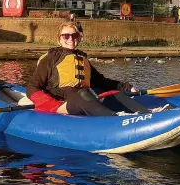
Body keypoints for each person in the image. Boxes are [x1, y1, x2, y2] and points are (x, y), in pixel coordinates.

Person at [27, 21, 156, 116]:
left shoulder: (83, 60)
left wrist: (127, 87)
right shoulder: (51, 58)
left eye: (74, 35)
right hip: (63, 103)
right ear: (59, 39)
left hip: (85, 98)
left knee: (114, 95)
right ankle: (113, 120)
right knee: (83, 94)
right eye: (66, 36)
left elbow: (102, 81)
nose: (71, 39)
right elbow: (32, 87)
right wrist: (54, 106)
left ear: (79, 38)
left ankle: (150, 114)